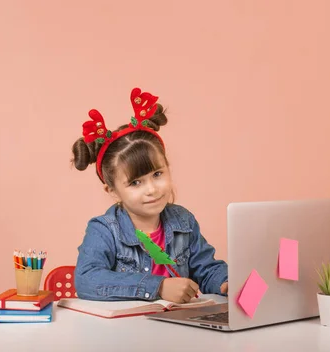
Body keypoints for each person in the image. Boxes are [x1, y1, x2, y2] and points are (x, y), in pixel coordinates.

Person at [71, 88, 228, 303]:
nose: (152, 189)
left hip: (179, 328)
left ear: (168, 168)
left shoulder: (183, 221)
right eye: (136, 182)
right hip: (128, 331)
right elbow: (87, 280)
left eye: (157, 174)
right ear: (113, 190)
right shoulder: (105, 230)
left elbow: (206, 268)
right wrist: (158, 286)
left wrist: (225, 282)